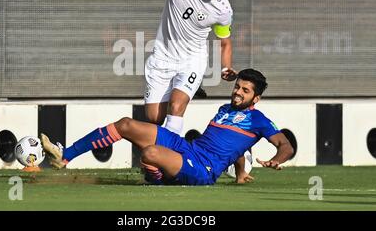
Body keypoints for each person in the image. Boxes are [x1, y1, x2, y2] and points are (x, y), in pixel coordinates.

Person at [40, 68, 294, 186]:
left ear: (256, 98)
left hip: (203, 169)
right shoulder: (225, 110)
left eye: (245, 90)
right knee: (126, 124)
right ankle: (65, 156)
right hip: (187, 148)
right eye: (237, 86)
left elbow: (285, 145)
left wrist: (276, 159)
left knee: (149, 154)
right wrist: (239, 174)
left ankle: (158, 185)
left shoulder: (259, 119)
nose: (237, 92)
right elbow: (237, 147)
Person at [124, 0, 237, 140]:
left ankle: (167, 162)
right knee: (154, 118)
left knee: (176, 107)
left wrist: (225, 67)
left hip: (192, 61)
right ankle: (162, 158)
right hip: (163, 58)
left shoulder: (223, 10)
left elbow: (225, 42)